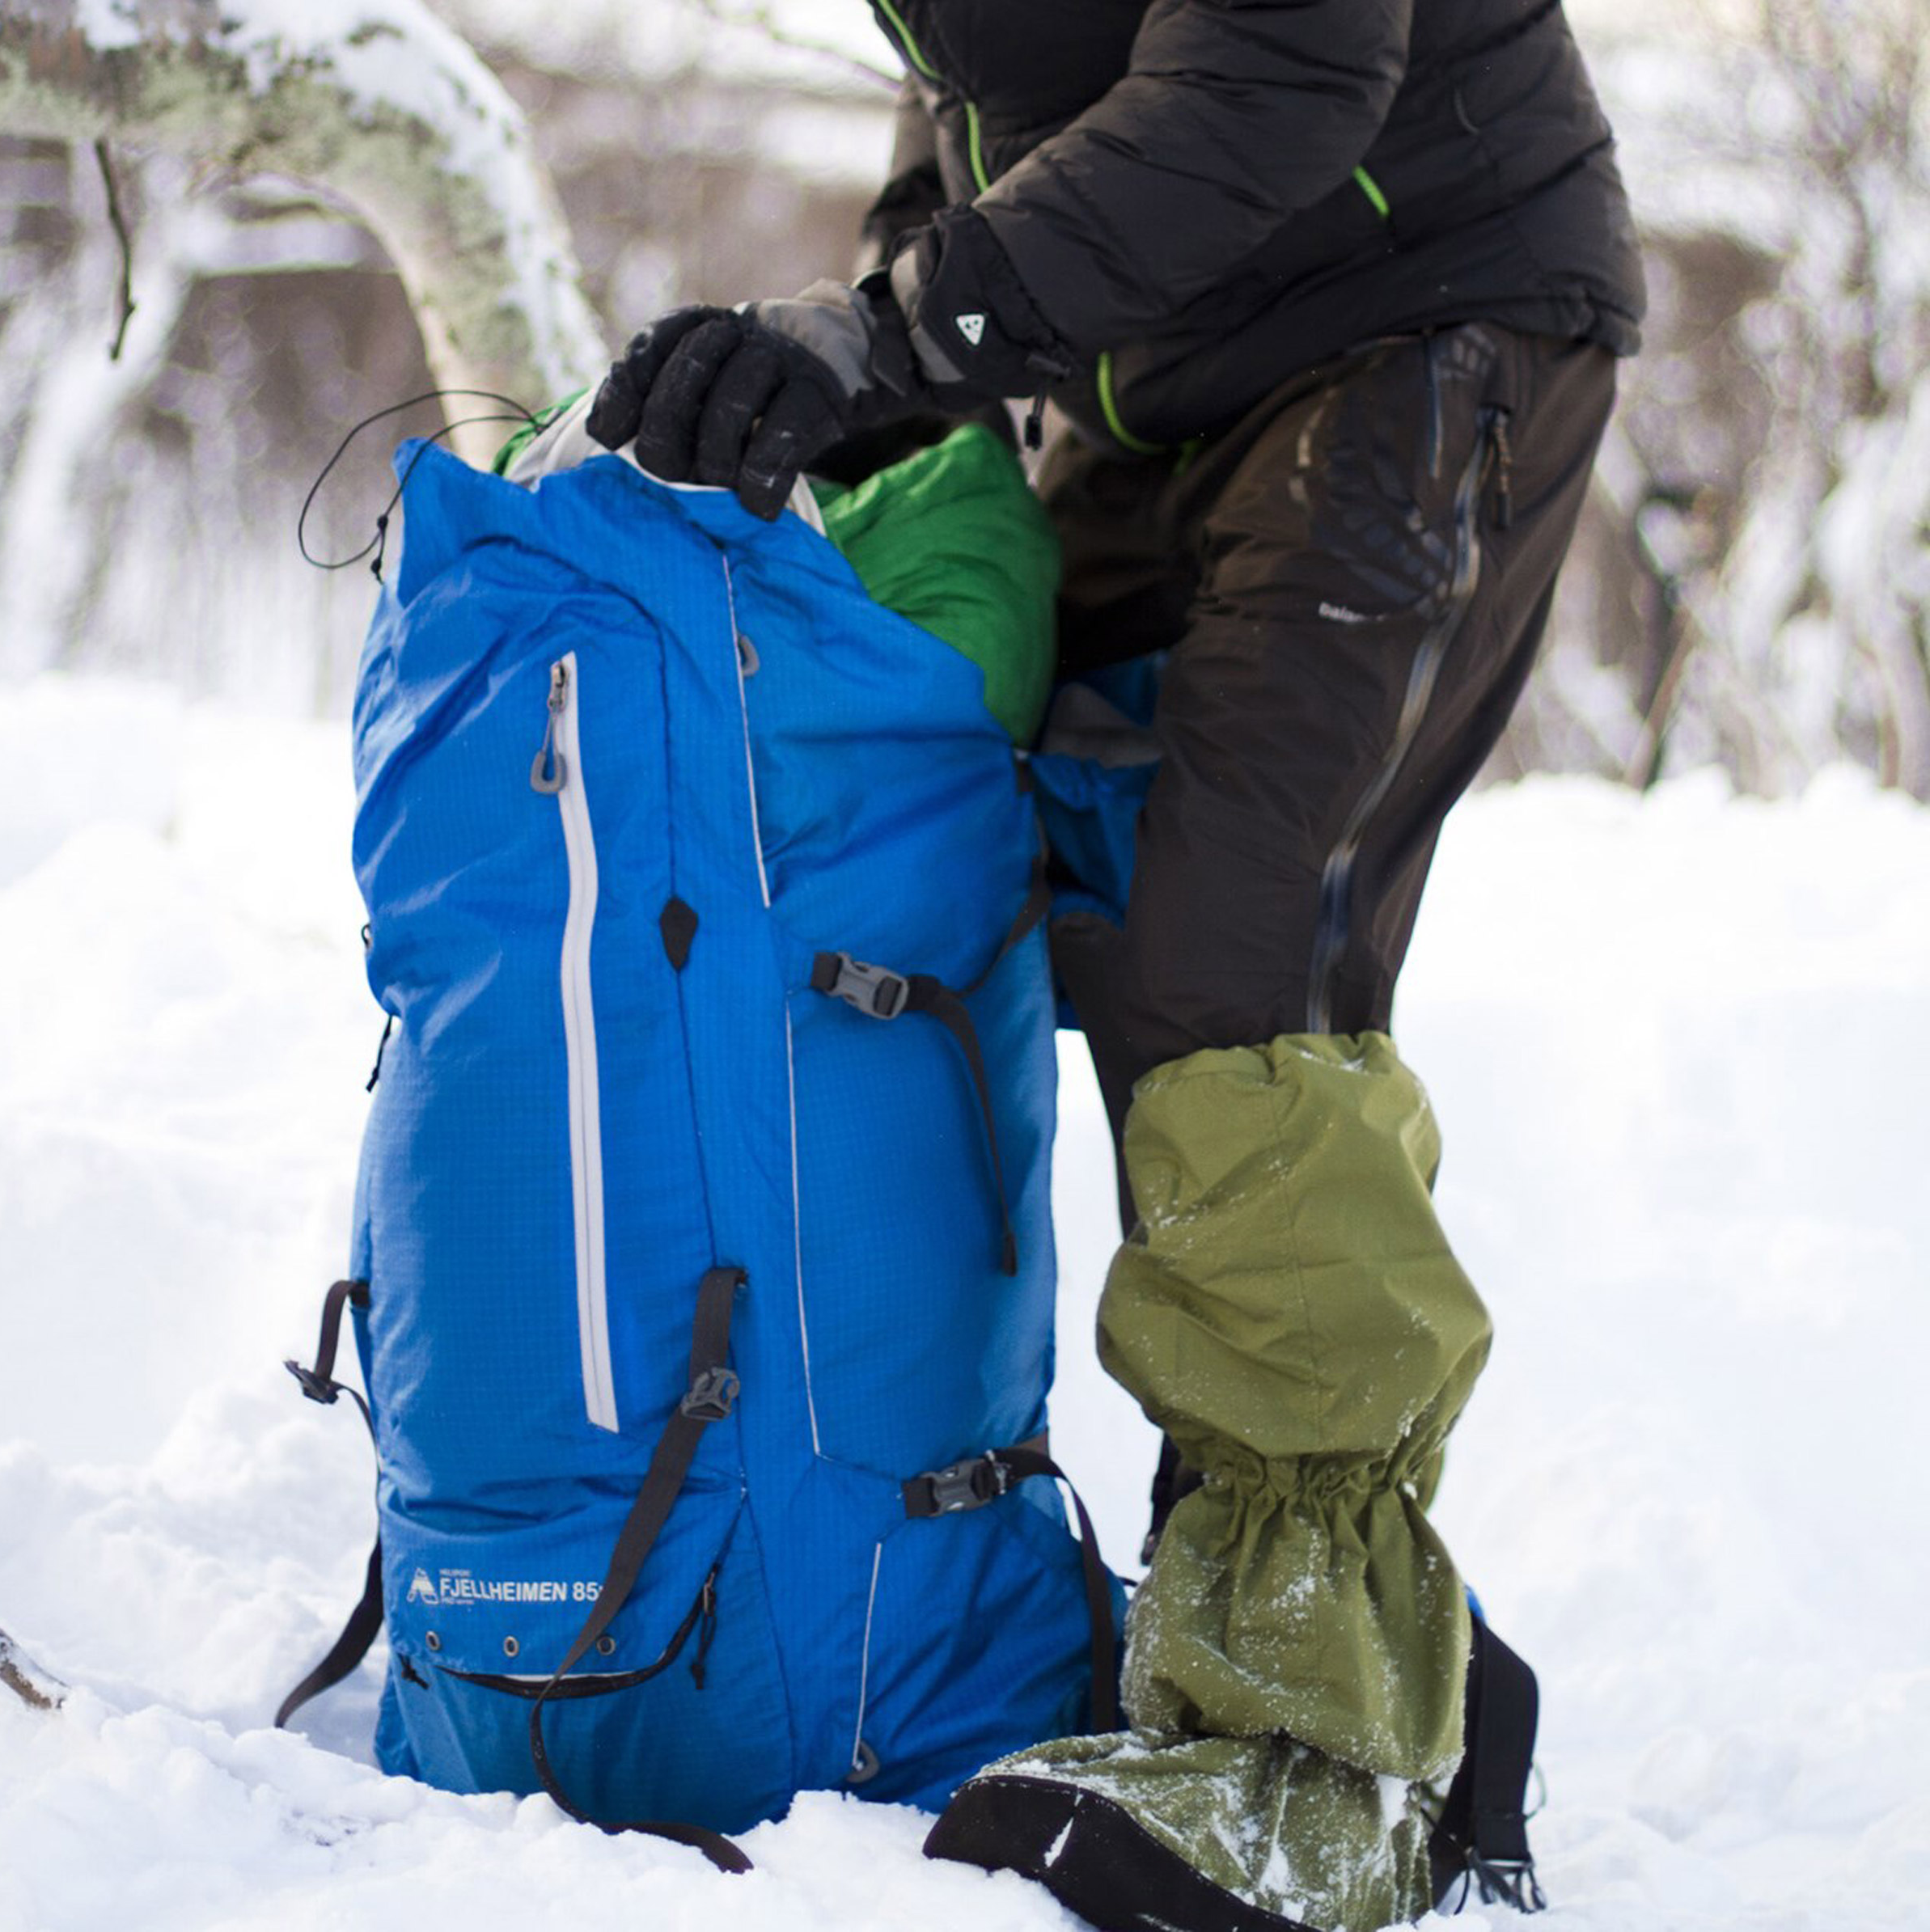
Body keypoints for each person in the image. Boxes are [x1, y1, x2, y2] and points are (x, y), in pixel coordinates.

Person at [585, 4, 1644, 1927]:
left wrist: (894, 337)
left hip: (1421, 317)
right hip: (1163, 370)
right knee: (990, 850)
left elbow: (1283, 68)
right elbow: (995, 81)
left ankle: (1319, 1743)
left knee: (1232, 964)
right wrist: (865, 359)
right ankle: (1345, 1627)